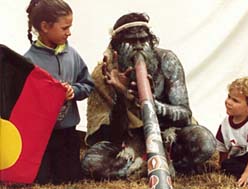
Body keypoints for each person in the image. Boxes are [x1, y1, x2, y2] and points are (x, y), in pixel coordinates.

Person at [82, 12, 216, 179]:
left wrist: (154, 104)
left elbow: (184, 115)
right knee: (92, 163)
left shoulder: (167, 61)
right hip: (128, 142)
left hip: (168, 134)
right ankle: (151, 163)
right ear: (116, 46)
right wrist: (121, 96)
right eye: (131, 41)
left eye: (143, 39)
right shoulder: (104, 74)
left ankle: (152, 162)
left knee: (205, 142)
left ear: (151, 41)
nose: (138, 46)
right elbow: (110, 135)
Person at [24, 0, 95, 184]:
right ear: (45, 27)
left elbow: (87, 84)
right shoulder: (28, 62)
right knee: (40, 179)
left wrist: (74, 90)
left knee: (70, 178)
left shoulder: (72, 55)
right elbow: (23, 105)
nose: (69, 32)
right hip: (41, 138)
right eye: (65, 27)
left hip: (68, 135)